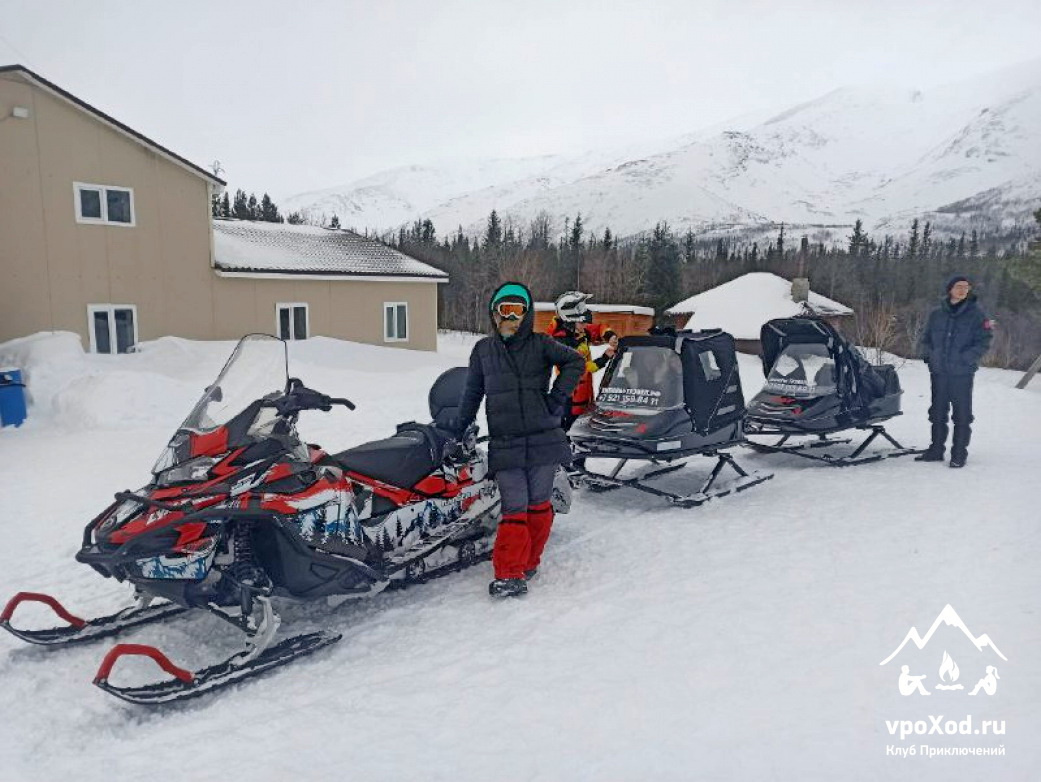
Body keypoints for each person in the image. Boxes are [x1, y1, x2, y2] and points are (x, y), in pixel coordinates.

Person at [454, 282, 584, 598]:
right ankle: (509, 572)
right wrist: (459, 427)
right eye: (504, 310)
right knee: (515, 504)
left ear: (526, 314)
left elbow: (575, 362)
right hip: (506, 439)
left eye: (517, 310)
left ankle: (528, 562)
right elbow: (472, 392)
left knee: (538, 503)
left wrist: (557, 399)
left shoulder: (542, 344)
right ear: (494, 314)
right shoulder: (483, 350)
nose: (510, 316)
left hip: (543, 436)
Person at [916, 275, 993, 468]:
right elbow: (926, 338)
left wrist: (967, 358)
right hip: (939, 372)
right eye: (958, 286)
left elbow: (984, 341)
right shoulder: (936, 313)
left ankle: (958, 454)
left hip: (962, 373)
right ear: (950, 288)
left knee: (962, 415)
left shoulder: (977, 314)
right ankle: (936, 450)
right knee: (937, 412)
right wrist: (929, 356)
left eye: (966, 287)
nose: (962, 290)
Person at [546, 291, 619, 431]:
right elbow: (579, 369)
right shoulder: (560, 343)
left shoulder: (579, 330)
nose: (586, 324)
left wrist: (609, 336)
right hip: (570, 399)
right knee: (571, 432)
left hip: (585, 393)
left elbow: (598, 328)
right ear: (570, 321)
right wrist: (603, 359)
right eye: (582, 321)